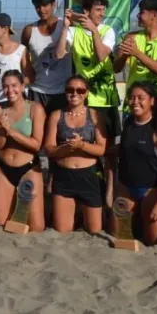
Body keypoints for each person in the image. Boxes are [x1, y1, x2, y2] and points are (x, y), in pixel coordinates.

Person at [108, 82, 157, 246]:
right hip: (126, 188)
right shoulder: (129, 122)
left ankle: (155, 216)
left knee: (152, 240)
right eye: (131, 98)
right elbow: (123, 150)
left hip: (151, 190)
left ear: (152, 101)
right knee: (118, 234)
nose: (135, 101)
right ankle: (136, 216)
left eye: (140, 98)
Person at [44, 76, 107, 234]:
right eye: (70, 90)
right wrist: (65, 150)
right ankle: (75, 210)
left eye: (80, 90)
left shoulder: (94, 116)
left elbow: (102, 149)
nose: (74, 93)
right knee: (62, 229)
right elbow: (49, 149)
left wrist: (82, 145)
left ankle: (81, 210)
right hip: (64, 175)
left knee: (94, 229)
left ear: (86, 93)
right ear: (65, 92)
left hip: (88, 175)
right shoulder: (57, 115)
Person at [55, 0, 119, 139]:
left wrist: (94, 31)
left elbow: (102, 55)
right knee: (84, 141)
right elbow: (58, 54)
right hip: (84, 97)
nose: (102, 14)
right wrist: (65, 27)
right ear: (86, 11)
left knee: (108, 147)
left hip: (105, 98)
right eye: (98, 10)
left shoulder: (108, 31)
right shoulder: (74, 31)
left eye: (103, 10)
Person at [0, 70, 46, 232]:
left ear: (22, 86)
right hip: (3, 168)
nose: (10, 90)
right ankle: (12, 202)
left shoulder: (35, 108)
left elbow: (36, 146)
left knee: (37, 227)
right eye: (6, 87)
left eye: (14, 86)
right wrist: (2, 131)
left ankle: (20, 202)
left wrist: (11, 130)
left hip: (28, 167)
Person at [114, 0, 157, 130]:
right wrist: (124, 54)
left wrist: (137, 53)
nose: (138, 15)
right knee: (132, 142)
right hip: (135, 101)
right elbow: (116, 68)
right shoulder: (132, 37)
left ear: (154, 15)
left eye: (142, 12)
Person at [22, 0, 70, 115]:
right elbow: (22, 60)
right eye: (37, 6)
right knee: (37, 134)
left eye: (45, 5)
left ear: (53, 4)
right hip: (37, 91)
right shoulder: (29, 31)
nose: (41, 10)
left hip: (62, 91)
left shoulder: (66, 25)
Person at [0, 13, 32, 106]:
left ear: (5, 29)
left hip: (12, 105)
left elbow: (30, 77)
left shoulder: (21, 50)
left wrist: (11, 87)